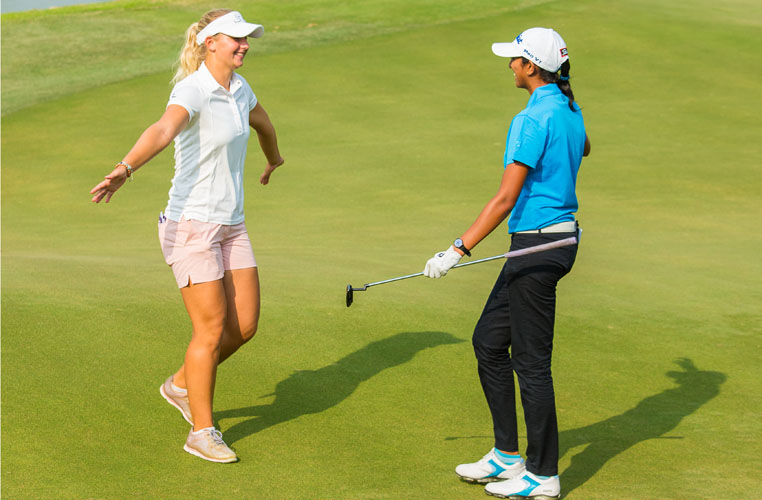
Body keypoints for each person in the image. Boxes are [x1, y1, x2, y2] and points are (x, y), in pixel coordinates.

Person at [90, 9, 284, 463]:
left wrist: (274, 159)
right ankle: (201, 431)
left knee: (246, 326)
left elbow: (264, 122)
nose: (245, 45)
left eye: (246, 39)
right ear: (211, 42)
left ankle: (179, 385)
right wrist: (125, 168)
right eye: (236, 39)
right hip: (191, 226)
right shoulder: (192, 89)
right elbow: (163, 129)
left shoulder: (240, 89)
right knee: (211, 330)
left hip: (231, 224)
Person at [423, 27, 590, 498]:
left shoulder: (532, 118)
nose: (510, 65)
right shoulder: (568, 107)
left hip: (538, 246)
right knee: (489, 343)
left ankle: (543, 474)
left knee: (532, 363)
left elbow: (503, 199)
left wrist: (456, 249)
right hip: (549, 243)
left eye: (515, 59)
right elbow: (584, 147)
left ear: (531, 67)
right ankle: (507, 455)